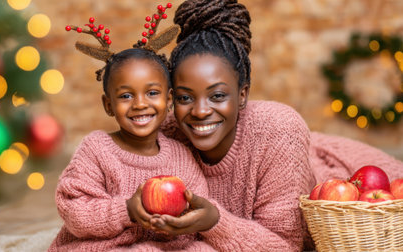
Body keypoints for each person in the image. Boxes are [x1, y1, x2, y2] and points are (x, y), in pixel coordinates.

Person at [129, 0, 402, 251]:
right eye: (185, 97)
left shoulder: (278, 130)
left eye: (218, 95)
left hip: (349, 184)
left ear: (243, 93)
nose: (200, 111)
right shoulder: (163, 132)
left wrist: (215, 223)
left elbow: (285, 245)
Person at [48, 46, 216, 251]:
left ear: (169, 99)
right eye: (126, 96)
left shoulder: (181, 156)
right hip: (102, 247)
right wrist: (126, 210)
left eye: (152, 93)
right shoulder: (96, 149)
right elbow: (74, 211)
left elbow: (199, 205)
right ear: (108, 105)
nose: (140, 104)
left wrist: (183, 222)